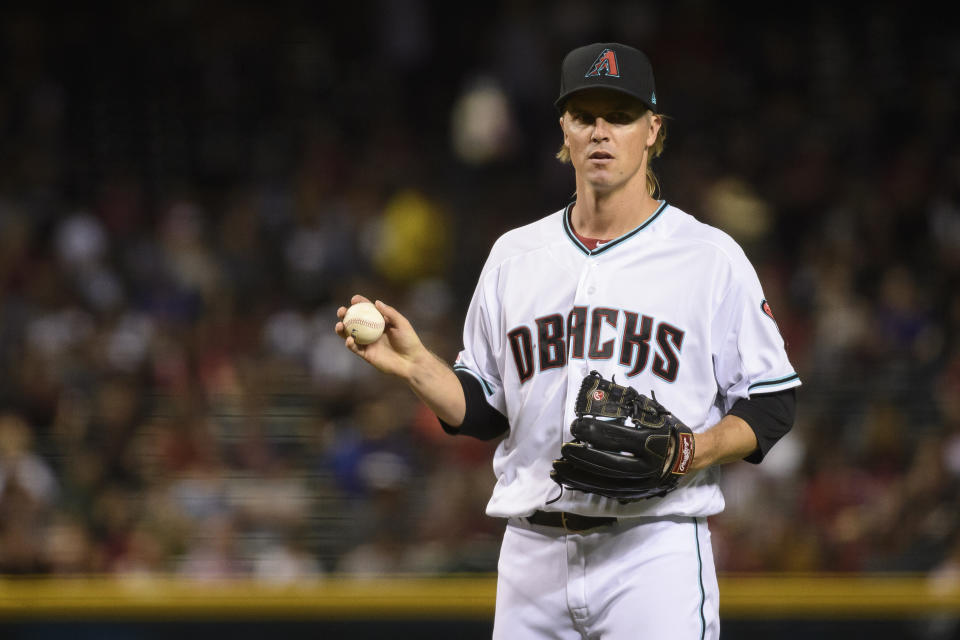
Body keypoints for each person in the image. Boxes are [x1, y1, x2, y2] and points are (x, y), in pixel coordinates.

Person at [336, 42, 800, 640]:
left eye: (620, 115)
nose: (601, 131)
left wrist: (693, 451)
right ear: (564, 129)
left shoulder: (709, 257)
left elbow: (771, 402)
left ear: (653, 130)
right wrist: (416, 366)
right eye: (585, 116)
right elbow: (481, 409)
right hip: (532, 555)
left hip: (651, 551)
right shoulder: (515, 255)